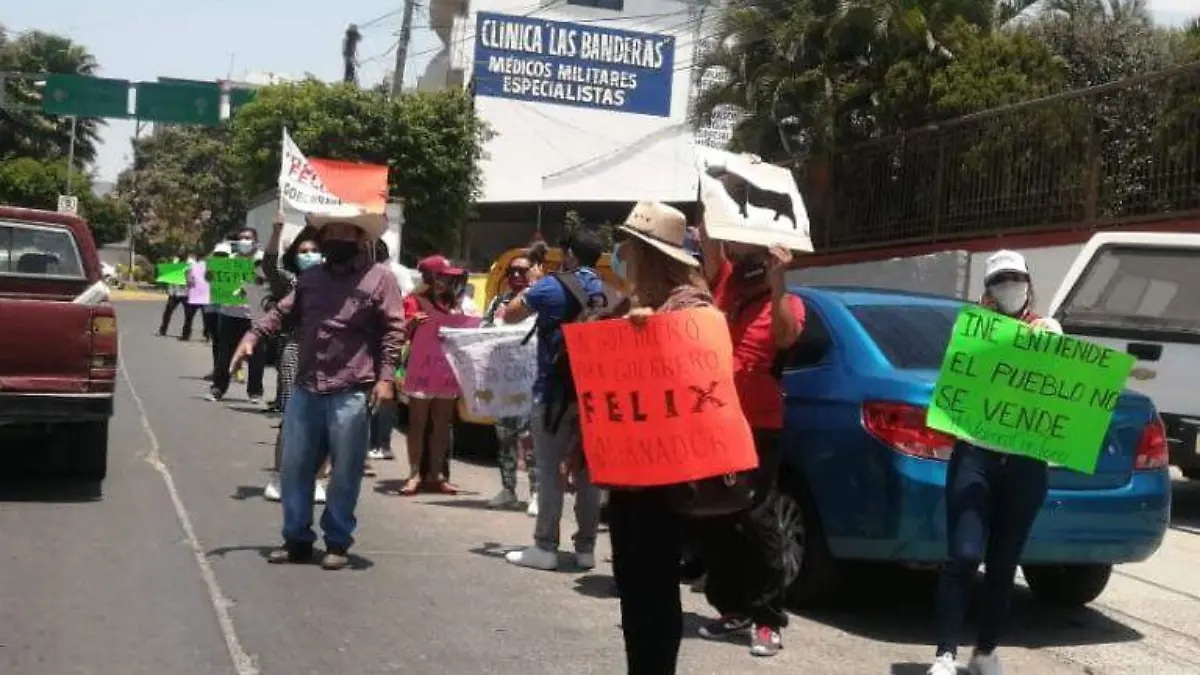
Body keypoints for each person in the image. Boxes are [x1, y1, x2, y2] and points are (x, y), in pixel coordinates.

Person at [231, 206, 404, 570]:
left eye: (347, 233)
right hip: (307, 387)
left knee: (345, 471)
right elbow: (279, 313)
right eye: (332, 233)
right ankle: (296, 539)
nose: (337, 239)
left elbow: (393, 331)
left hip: (351, 389)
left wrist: (386, 378)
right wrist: (252, 336)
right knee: (294, 466)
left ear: (361, 239)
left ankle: (338, 542)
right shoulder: (310, 280)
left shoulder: (381, 279)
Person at [928, 250, 1060, 675]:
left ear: (1028, 284)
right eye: (1000, 281)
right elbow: (957, 378)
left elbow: (1061, 386)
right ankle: (945, 654)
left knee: (1004, 562)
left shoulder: (1049, 329)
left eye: (1015, 279)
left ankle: (985, 652)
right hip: (976, 455)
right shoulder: (972, 331)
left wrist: (1038, 342)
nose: (1009, 288)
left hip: (1025, 464)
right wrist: (988, 333)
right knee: (963, 555)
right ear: (988, 291)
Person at [602, 202, 716, 675]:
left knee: (654, 582)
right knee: (630, 580)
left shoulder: (691, 305)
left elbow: (702, 366)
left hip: (667, 468)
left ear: (651, 253)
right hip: (629, 465)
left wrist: (654, 333)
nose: (624, 252)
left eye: (632, 245)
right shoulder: (630, 301)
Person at [694, 178, 805, 658]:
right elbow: (709, 238)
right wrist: (716, 187)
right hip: (715, 422)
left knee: (758, 520)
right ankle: (731, 607)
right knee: (718, 516)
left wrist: (780, 281)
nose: (740, 253)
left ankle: (767, 618)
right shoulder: (725, 283)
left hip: (759, 425)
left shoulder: (787, 301)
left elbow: (784, 337)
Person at [500, 228, 608, 571]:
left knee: (549, 470)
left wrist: (534, 282)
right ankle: (586, 548)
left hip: (552, 393)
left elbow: (511, 313)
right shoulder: (608, 292)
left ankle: (545, 546)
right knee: (590, 473)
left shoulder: (550, 284)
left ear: (571, 254)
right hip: (593, 396)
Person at [260, 216, 326, 503]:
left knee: (327, 421)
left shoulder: (334, 280)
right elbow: (269, 265)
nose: (309, 255)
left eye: (314, 250)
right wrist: (276, 231)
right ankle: (279, 476)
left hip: (330, 355)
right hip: (296, 349)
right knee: (292, 416)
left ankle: (319, 479)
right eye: (303, 251)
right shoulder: (291, 281)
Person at [397, 255, 468, 496]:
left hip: (447, 370)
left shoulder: (456, 303)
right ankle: (414, 473)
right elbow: (400, 334)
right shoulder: (413, 301)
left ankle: (436, 474)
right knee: (417, 423)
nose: (448, 281)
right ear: (432, 278)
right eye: (443, 276)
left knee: (442, 424)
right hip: (421, 370)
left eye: (450, 277)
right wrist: (411, 323)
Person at [483, 253, 537, 513]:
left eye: (522, 271)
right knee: (504, 435)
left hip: (531, 380)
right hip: (503, 379)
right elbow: (483, 331)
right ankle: (508, 489)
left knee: (530, 437)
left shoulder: (539, 300)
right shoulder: (497, 302)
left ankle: (537, 492)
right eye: (512, 271)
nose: (516, 276)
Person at [209, 227, 265, 403]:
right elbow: (209, 276)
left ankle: (255, 392)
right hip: (229, 315)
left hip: (254, 317)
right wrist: (217, 253)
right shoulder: (229, 260)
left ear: (255, 241)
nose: (244, 241)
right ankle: (218, 388)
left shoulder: (262, 260)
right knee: (223, 355)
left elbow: (264, 281)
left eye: (247, 238)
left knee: (255, 356)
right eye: (241, 238)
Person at [368, 240, 399, 463]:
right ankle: (381, 444)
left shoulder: (383, 278)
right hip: (386, 346)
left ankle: (376, 444)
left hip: (375, 345)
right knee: (385, 397)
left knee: (379, 396)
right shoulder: (393, 275)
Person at [202, 242, 232, 380]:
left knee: (229, 341)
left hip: (227, 308)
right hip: (212, 307)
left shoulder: (234, 269)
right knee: (216, 341)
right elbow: (206, 276)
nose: (220, 258)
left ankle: (234, 369)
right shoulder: (210, 267)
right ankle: (217, 370)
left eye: (223, 255)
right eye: (218, 255)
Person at [158, 256, 193, 338]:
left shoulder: (191, 263)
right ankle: (163, 329)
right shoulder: (175, 261)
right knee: (167, 312)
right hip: (175, 293)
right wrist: (170, 291)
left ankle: (186, 334)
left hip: (186, 293)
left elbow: (192, 278)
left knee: (188, 315)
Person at [184, 253, 209, 342]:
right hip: (205, 296)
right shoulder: (209, 268)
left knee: (189, 317)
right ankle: (207, 335)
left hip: (194, 295)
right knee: (206, 318)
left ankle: (186, 335)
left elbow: (189, 281)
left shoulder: (192, 267)